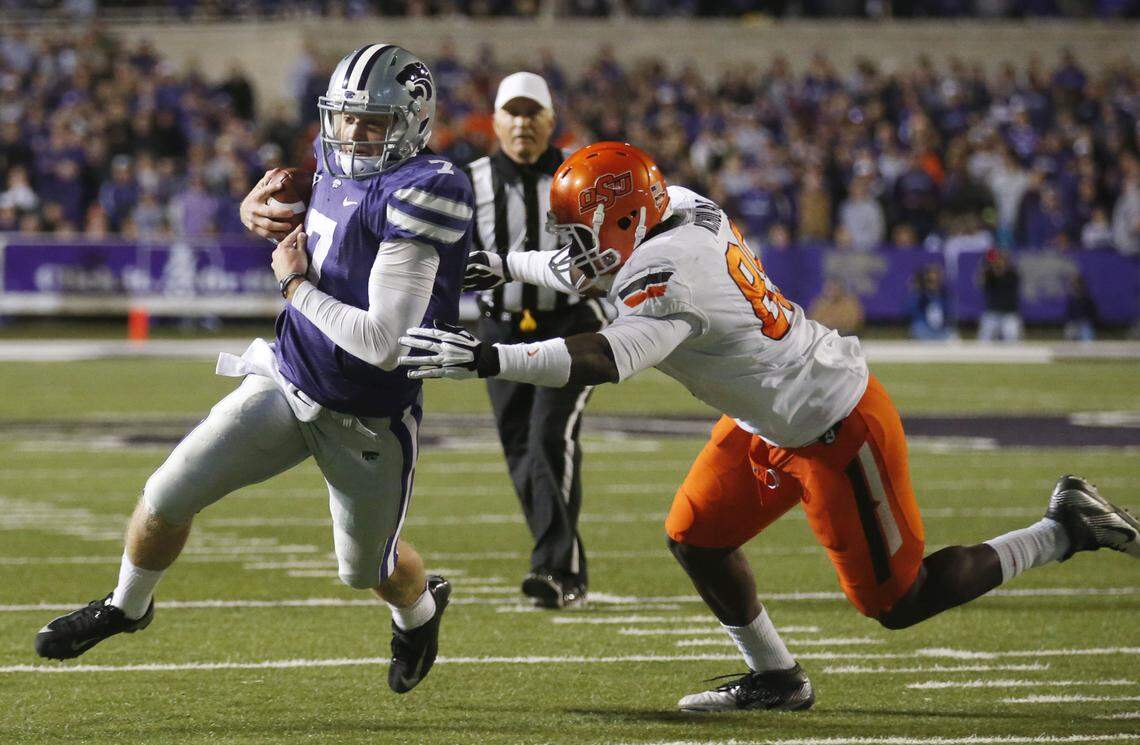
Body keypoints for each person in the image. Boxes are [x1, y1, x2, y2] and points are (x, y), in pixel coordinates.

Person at [403, 141, 1139, 712]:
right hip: (767, 415)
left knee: (898, 600)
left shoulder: (667, 271)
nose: (573, 245)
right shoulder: (678, 206)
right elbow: (588, 268)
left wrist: (489, 357)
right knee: (696, 535)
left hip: (833, 424)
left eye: (582, 227)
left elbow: (606, 354)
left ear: (628, 218)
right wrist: (506, 264)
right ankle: (777, 676)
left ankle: (1063, 528)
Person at [34, 44, 473, 696]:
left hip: (367, 412)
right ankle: (127, 605)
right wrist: (253, 206)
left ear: (411, 124)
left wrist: (294, 287)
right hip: (287, 377)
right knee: (167, 493)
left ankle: (419, 612)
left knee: (367, 569)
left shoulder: (426, 189)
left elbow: (382, 341)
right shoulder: (334, 154)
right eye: (345, 117)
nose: (352, 133)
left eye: (372, 122)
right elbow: (312, 190)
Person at [461, 72, 608, 609]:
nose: (522, 123)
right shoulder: (469, 181)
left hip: (571, 327)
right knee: (520, 445)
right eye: (513, 114)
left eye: (533, 114)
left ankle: (556, 570)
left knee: (549, 435)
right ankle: (562, 563)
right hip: (501, 324)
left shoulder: (582, 177)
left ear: (551, 120)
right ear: (495, 121)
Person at [977, 248, 1022, 342]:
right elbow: (980, 283)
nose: (998, 262)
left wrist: (996, 267)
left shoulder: (1012, 274)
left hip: (1009, 314)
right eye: (997, 260)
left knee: (1012, 338)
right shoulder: (989, 275)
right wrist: (986, 267)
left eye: (1001, 260)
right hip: (992, 313)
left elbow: (1001, 275)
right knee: (983, 340)